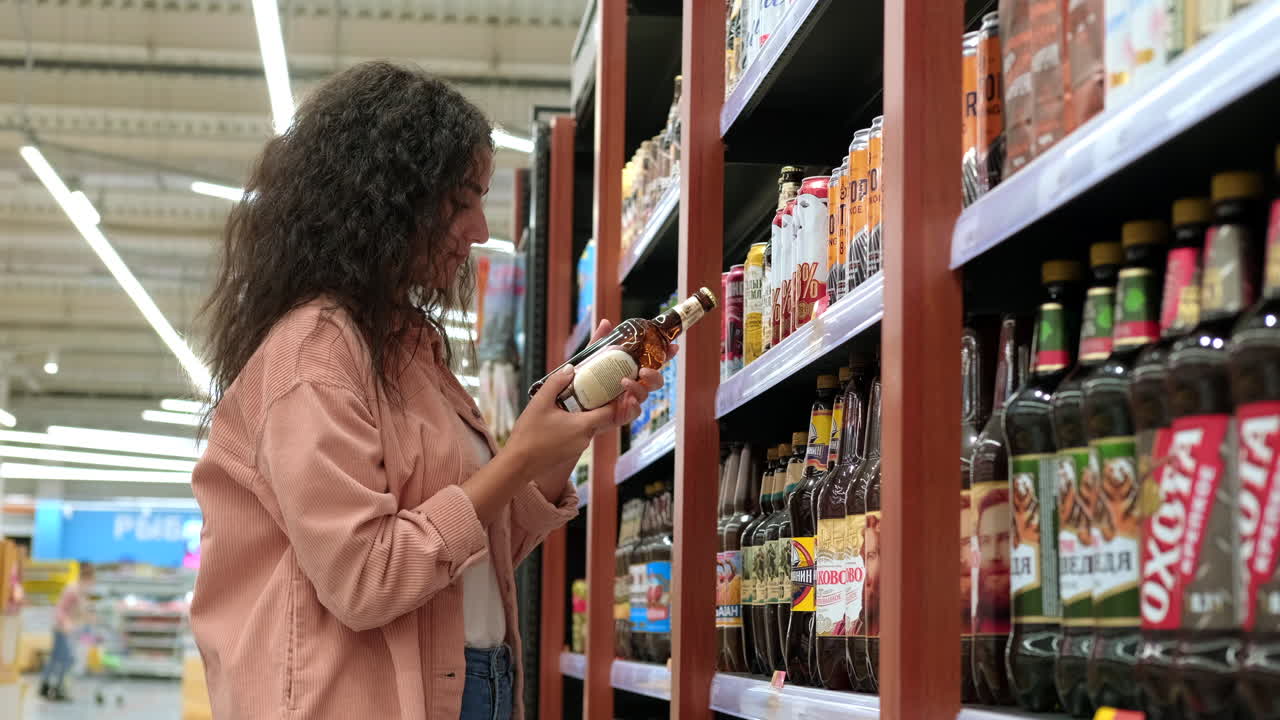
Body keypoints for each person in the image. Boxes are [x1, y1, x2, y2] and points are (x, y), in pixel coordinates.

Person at [190, 61, 663, 720]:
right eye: (461, 201)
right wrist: (518, 457)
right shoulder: (314, 354)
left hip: (473, 685)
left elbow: (473, 549)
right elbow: (365, 580)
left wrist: (564, 435)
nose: (481, 230)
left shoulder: (406, 349)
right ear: (387, 200)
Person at [42, 563, 94, 701]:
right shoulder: (73, 589)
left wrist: (88, 618)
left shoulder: (81, 591)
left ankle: (45, 685)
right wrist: (65, 623)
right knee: (67, 659)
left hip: (69, 629)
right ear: (86, 577)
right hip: (63, 629)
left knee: (56, 657)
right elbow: (60, 608)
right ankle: (58, 688)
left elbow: (80, 610)